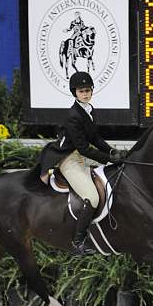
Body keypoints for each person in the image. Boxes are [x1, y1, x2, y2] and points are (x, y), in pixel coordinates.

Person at [38, 71, 127, 255]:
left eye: (87, 90)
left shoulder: (89, 110)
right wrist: (110, 159)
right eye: (81, 91)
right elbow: (85, 148)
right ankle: (77, 241)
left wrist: (112, 151)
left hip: (81, 157)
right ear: (75, 93)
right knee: (93, 197)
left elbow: (95, 138)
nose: (85, 94)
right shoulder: (73, 115)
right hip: (69, 159)